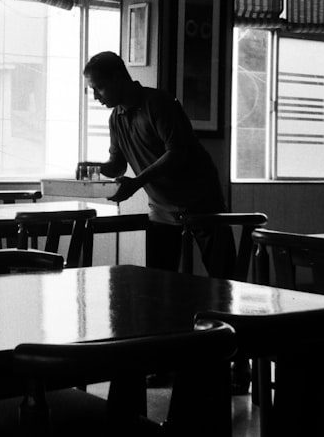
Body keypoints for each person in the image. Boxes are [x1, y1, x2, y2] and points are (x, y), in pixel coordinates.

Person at [80, 50, 234, 275]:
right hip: (162, 208)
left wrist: (136, 183)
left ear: (118, 78)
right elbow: (117, 165)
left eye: (99, 87)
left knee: (225, 280)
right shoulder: (116, 118)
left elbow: (177, 153)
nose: (95, 96)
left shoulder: (158, 103)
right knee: (159, 284)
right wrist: (93, 167)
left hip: (201, 200)